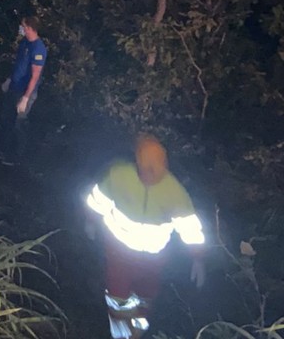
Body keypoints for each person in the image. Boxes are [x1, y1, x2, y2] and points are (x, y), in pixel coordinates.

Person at [85, 136, 206, 339]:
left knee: (145, 297)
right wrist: (90, 221)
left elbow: (190, 228)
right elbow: (99, 199)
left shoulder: (174, 193)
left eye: (157, 167)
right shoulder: (119, 176)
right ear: (139, 162)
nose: (152, 173)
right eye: (148, 167)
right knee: (118, 295)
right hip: (118, 250)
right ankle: (121, 334)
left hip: (153, 258)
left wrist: (198, 258)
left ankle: (137, 332)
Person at [0, 16, 47, 165]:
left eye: (23, 26)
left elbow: (35, 76)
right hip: (14, 87)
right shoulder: (24, 42)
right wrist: (9, 80)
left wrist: (26, 97)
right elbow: (19, 65)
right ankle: (2, 151)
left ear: (30, 28)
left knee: (19, 124)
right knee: (6, 119)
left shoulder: (39, 49)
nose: (21, 28)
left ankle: (18, 157)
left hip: (24, 92)